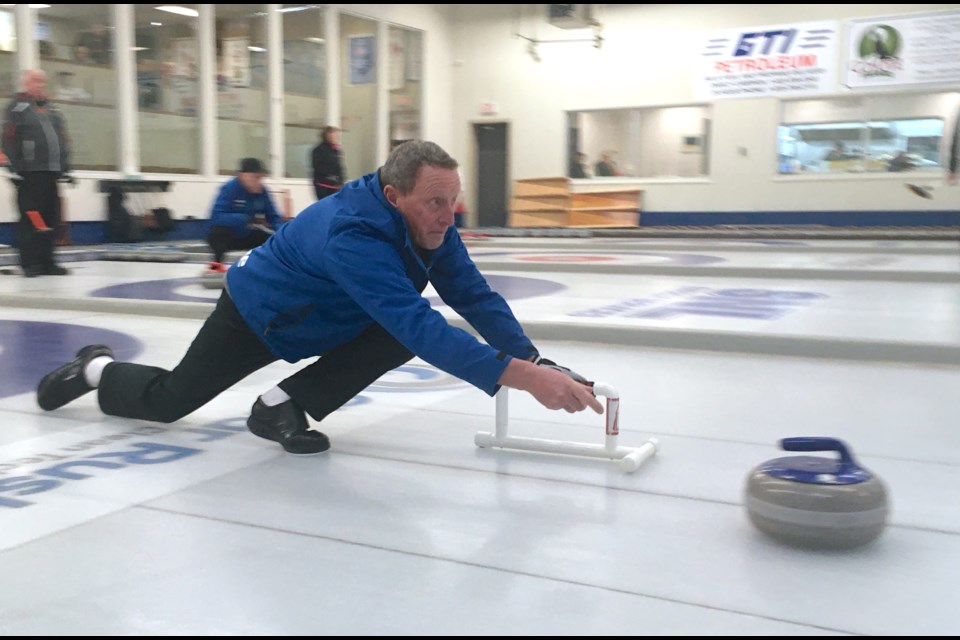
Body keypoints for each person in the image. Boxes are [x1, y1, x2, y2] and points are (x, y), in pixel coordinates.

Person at [35, 140, 603, 455]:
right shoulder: (352, 235)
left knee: (394, 337)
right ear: (392, 195)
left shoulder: (433, 225)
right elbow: (417, 322)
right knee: (169, 401)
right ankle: (94, 369)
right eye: (434, 202)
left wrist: (533, 359)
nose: (446, 215)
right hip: (259, 315)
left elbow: (473, 295)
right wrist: (523, 380)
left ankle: (282, 407)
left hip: (333, 315)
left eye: (452, 201)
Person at [2, 69, 73, 278]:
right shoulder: (17, 108)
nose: (39, 84)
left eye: (42, 80)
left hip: (51, 172)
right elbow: (7, 139)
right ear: (26, 83)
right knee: (32, 219)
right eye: (35, 80)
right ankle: (30, 263)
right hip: (29, 173)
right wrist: (13, 168)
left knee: (50, 218)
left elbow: (63, 139)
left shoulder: (53, 110)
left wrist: (66, 167)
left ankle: (47, 261)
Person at [205, 157, 283, 273]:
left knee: (271, 238)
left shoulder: (263, 192)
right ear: (242, 176)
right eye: (255, 177)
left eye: (260, 178)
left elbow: (274, 216)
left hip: (247, 234)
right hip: (230, 235)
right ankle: (216, 265)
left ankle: (268, 268)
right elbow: (217, 217)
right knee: (218, 231)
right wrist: (246, 219)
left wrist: (282, 232)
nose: (259, 181)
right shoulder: (229, 189)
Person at [311, 125, 346, 200]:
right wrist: (330, 175)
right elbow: (317, 166)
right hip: (323, 185)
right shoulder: (318, 150)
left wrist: (341, 179)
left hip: (335, 186)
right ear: (326, 135)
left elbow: (339, 166)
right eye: (332, 134)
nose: (335, 137)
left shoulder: (336, 150)